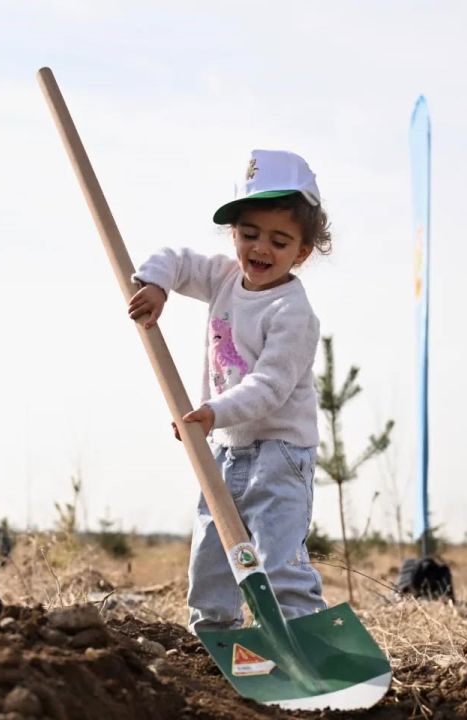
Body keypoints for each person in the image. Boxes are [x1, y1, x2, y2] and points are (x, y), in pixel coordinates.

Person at [127, 149, 331, 633]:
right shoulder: (222, 277)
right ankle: (214, 643)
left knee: (277, 560)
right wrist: (154, 284)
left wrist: (213, 412)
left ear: (301, 252)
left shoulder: (292, 312)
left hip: (280, 455)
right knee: (212, 558)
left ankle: (303, 640)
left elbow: (270, 387)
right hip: (224, 449)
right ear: (234, 234)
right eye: (249, 234)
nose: (260, 249)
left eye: (279, 241)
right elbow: (175, 261)